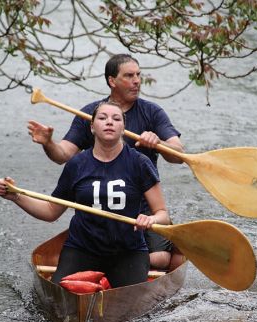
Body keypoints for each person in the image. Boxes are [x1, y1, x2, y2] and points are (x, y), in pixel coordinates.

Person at [28, 54, 185, 270]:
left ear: (123, 126)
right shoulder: (91, 115)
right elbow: (63, 154)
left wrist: (159, 142)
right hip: (98, 208)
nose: (137, 81)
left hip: (141, 211)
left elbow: (178, 155)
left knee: (162, 260)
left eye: (138, 75)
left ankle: (124, 264)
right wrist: (48, 143)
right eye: (129, 76)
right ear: (112, 81)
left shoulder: (152, 112)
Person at [0, 101, 171, 287]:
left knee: (133, 305)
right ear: (92, 127)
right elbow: (50, 211)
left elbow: (163, 214)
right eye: (102, 118)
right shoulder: (76, 164)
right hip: (82, 249)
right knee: (59, 297)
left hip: (128, 251)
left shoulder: (140, 163)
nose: (109, 122)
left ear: (123, 128)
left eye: (116, 119)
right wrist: (15, 196)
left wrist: (150, 220)